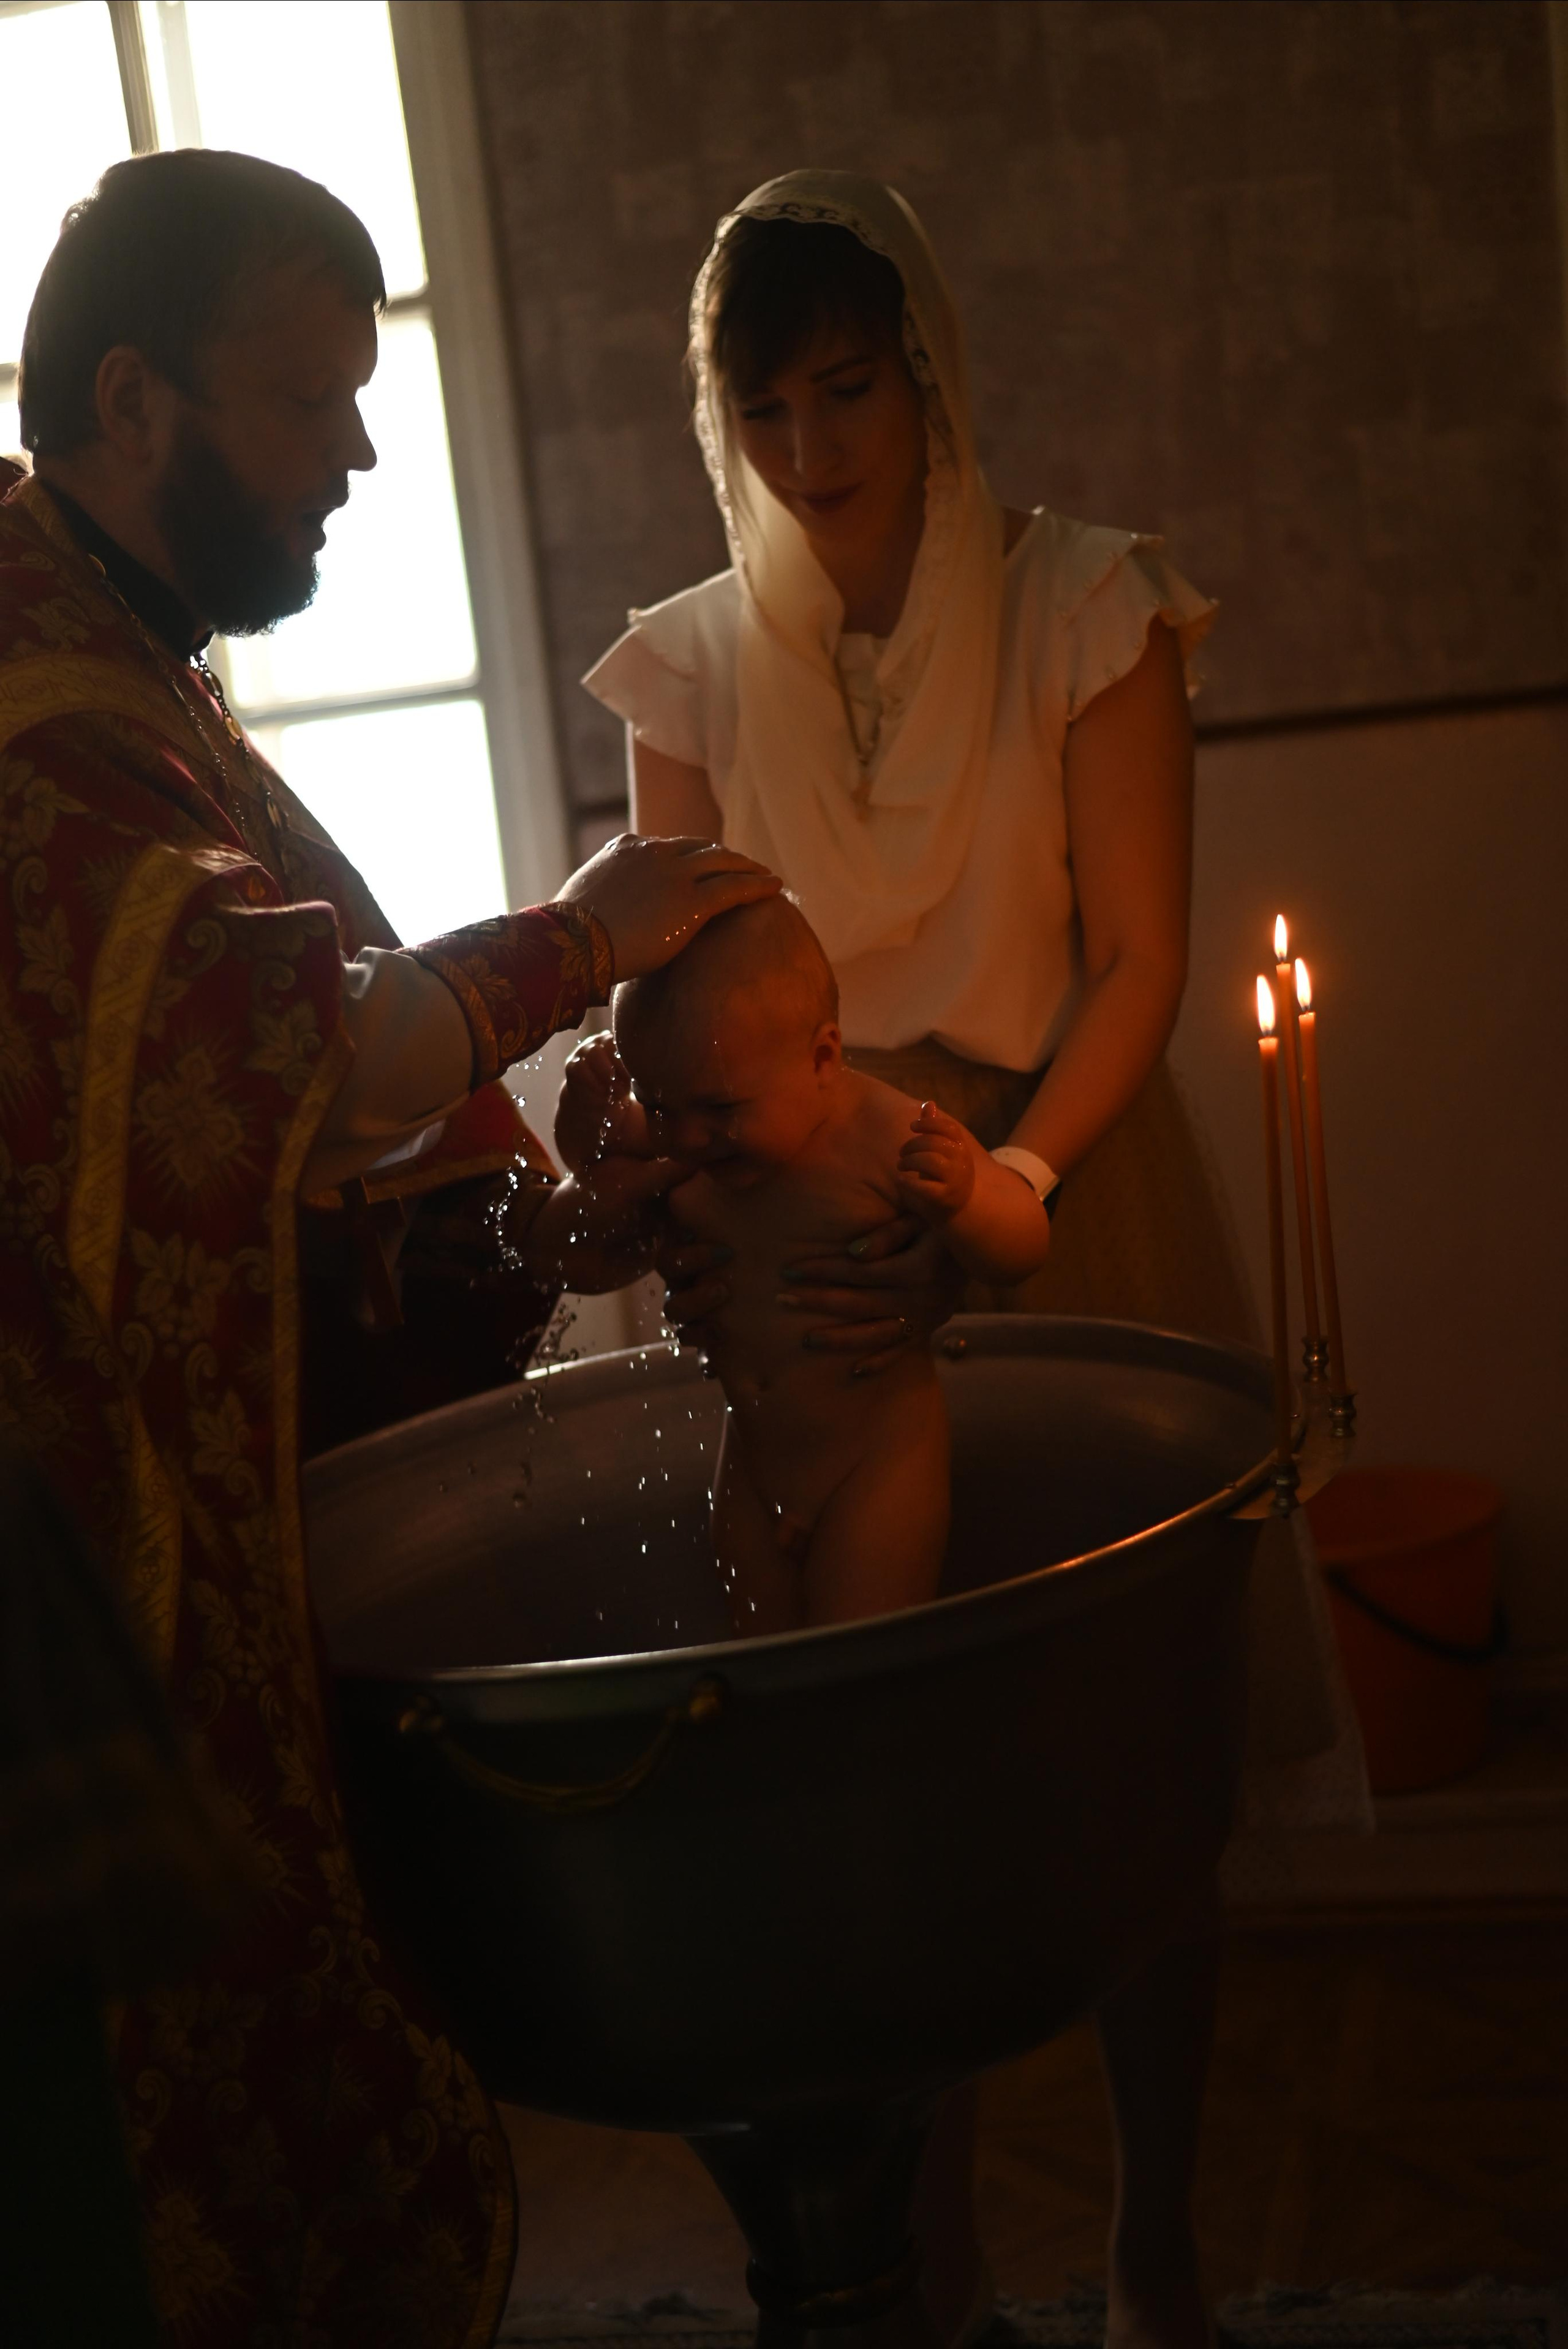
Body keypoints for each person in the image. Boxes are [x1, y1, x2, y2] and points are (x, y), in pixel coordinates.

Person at [0, 148, 782, 2348]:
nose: (357, 448)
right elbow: (283, 1053)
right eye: (308, 399)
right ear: (137, 402)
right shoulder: (38, 700)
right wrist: (585, 932)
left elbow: (284, 1176)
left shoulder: (127, 664)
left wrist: (540, 1222)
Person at [583, 168, 1348, 2349]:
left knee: (1127, 1756)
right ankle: (918, 2271)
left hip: (1047, 1168)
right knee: (874, 1799)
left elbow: (1136, 958)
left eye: (850, 392)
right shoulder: (687, 656)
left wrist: (986, 1182)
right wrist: (704, 1178)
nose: (814, 452)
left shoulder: (1086, 603)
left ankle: (1155, 2241)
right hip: (792, 1233)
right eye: (769, 407)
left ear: (924, 378)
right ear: (719, 418)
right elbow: (668, 988)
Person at [556, 896, 1049, 1632]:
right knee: (767, 1677)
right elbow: (595, 1163)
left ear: (822, 1059)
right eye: (659, 1106)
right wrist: (585, 1111)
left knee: (859, 1667)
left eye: (718, 1111)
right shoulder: (693, 1122)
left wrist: (966, 1203)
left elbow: (1024, 1242)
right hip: (752, 1469)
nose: (686, 1139)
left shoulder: (887, 1133)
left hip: (877, 1469)